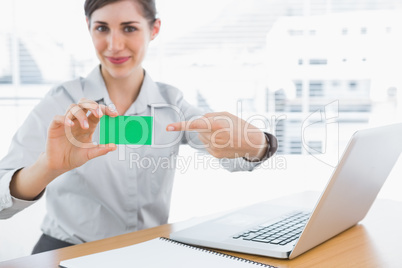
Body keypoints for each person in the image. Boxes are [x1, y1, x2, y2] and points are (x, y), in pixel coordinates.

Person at [0, 0, 277, 254]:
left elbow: (234, 154)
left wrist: (257, 142)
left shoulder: (171, 103)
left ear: (154, 29)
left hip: (144, 253)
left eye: (129, 28)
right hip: (67, 252)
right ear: (89, 28)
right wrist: (46, 168)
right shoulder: (62, 102)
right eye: (102, 28)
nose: (114, 44)